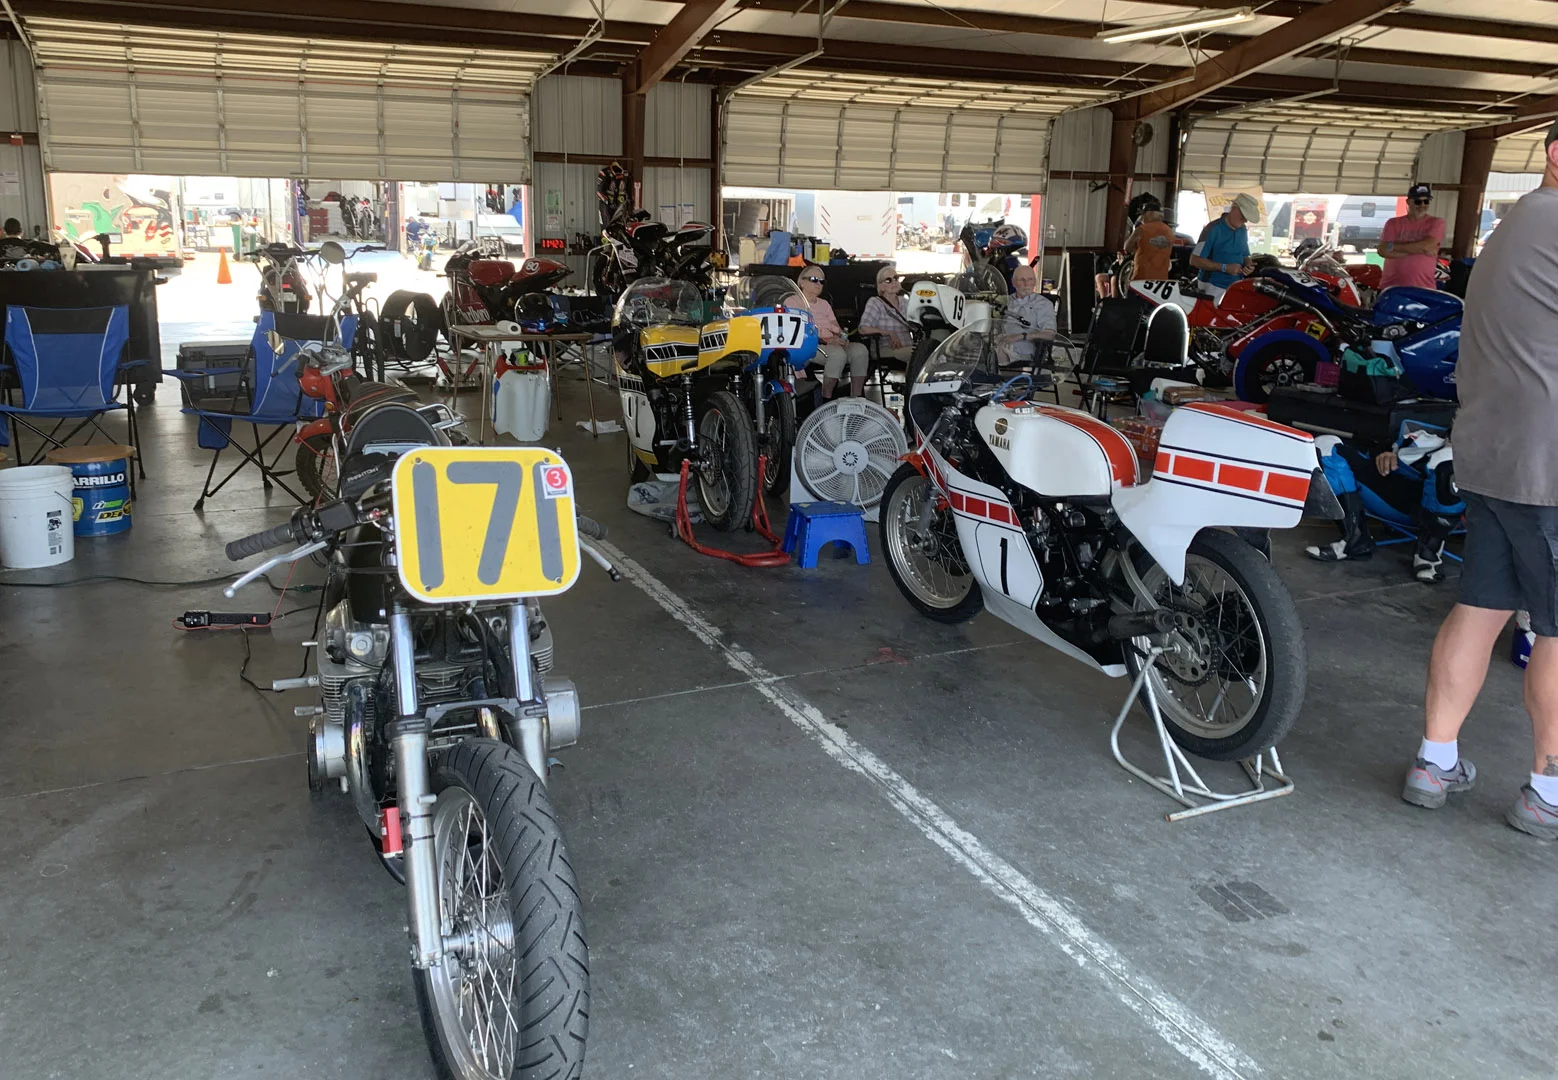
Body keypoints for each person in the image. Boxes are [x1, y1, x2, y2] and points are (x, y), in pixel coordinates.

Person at [1400, 117, 1558, 837]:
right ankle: (1548, 790)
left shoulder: (1519, 221)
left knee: (1483, 605)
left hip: (1491, 454)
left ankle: (1435, 762)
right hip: (1546, 463)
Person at [1307, 429, 1462, 583]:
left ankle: (1428, 556)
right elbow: (1376, 454)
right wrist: (1385, 454)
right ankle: (1355, 539)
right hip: (1391, 493)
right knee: (1325, 445)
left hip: (1432, 508)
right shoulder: (1420, 437)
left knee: (1450, 459)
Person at [796, 262, 868, 399]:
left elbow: (836, 327)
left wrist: (842, 337)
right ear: (802, 282)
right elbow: (798, 330)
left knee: (860, 350)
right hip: (809, 344)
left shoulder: (824, 304)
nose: (818, 284)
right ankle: (826, 398)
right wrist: (826, 340)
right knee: (837, 354)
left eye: (821, 281)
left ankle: (857, 398)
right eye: (814, 279)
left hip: (831, 342)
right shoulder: (794, 301)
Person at [1188, 192, 1258, 299]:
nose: (1245, 220)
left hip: (1236, 284)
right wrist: (1224, 267)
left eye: (1247, 217)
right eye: (1243, 215)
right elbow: (1194, 260)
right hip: (1212, 285)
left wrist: (1248, 264)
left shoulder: (1242, 229)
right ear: (1234, 208)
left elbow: (1244, 254)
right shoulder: (1212, 229)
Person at [1378, 183, 1445, 292]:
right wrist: (1420, 250)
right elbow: (1383, 250)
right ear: (1408, 202)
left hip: (1424, 287)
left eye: (1426, 201)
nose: (1422, 205)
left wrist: (1393, 247)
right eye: (1418, 201)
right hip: (1391, 286)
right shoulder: (1392, 223)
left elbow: (1427, 246)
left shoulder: (1437, 222)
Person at [856, 263, 916, 374]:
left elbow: (916, 324)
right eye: (888, 280)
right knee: (919, 355)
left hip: (908, 346)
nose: (894, 282)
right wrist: (888, 333)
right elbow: (863, 329)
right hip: (886, 349)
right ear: (881, 286)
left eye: (896, 278)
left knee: (929, 352)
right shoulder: (875, 302)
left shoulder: (905, 302)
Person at [999, 264, 1055, 368]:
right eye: (1022, 280)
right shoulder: (1005, 301)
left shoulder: (1043, 304)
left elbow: (1050, 334)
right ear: (1013, 282)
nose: (1026, 284)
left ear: (1035, 282)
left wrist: (1022, 336)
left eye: (1030, 279)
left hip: (1023, 349)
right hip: (1000, 342)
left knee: (994, 354)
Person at [1125, 205, 1177, 281]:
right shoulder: (1170, 231)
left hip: (1141, 277)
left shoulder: (1141, 229)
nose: (1142, 217)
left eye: (1143, 214)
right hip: (1161, 279)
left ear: (1150, 213)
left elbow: (1127, 248)